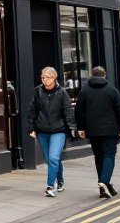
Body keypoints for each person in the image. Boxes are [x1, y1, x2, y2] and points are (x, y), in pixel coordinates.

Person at [75, 66, 120, 198]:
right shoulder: (112, 90)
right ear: (104, 75)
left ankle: (104, 189)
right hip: (110, 130)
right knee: (109, 155)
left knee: (99, 157)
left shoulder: (84, 91)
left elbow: (79, 111)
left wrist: (81, 128)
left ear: (92, 75)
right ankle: (104, 181)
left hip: (92, 130)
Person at [27, 66, 76, 197]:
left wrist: (72, 128)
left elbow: (68, 111)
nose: (44, 80)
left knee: (54, 157)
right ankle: (60, 180)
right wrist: (31, 128)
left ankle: (50, 185)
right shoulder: (37, 91)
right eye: (42, 77)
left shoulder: (62, 92)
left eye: (47, 77)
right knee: (51, 160)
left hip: (58, 131)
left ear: (54, 78)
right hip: (42, 131)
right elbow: (32, 110)